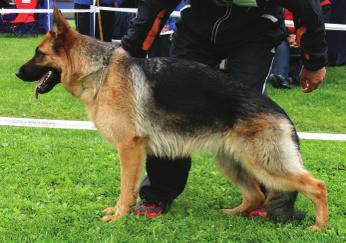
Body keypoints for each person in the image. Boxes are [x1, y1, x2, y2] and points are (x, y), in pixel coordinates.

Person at [115, 0, 327, 220]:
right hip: (198, 25)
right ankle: (158, 193)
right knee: (170, 107)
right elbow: (155, 4)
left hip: (255, 30)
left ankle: (265, 196)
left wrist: (314, 61)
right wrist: (131, 48)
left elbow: (308, 8)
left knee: (247, 115)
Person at [269, 0, 331, 89]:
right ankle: (280, 77)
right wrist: (287, 36)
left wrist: (298, 38)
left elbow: (320, 25)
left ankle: (298, 77)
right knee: (281, 45)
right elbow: (279, 20)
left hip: (305, 37)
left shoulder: (325, 4)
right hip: (286, 36)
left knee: (306, 45)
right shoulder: (284, 3)